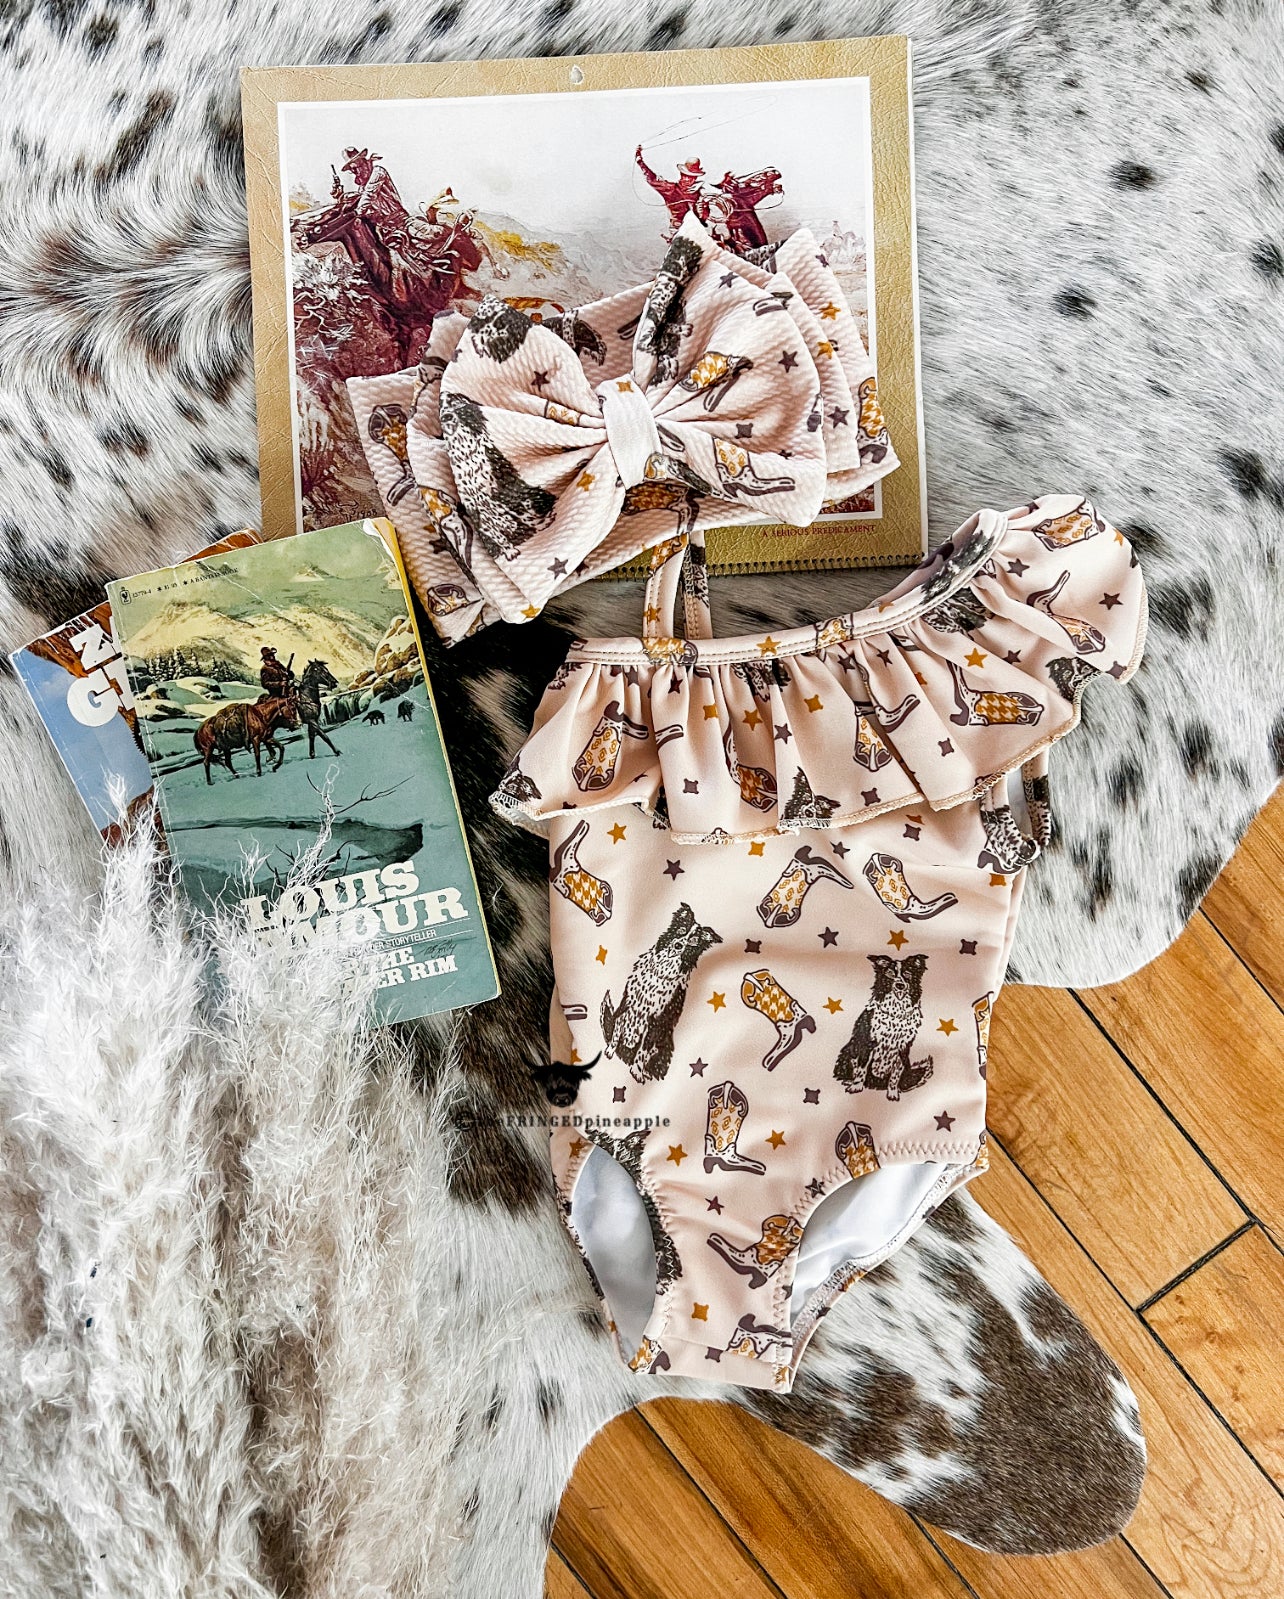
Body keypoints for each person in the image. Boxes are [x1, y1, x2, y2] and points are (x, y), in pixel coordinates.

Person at [635, 146, 710, 238]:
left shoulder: (699, 194)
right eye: (685, 176)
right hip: (678, 231)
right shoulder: (670, 189)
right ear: (681, 174)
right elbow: (652, 179)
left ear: (695, 178)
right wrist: (640, 162)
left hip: (696, 231)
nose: (687, 179)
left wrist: (703, 210)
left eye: (691, 177)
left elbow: (704, 218)